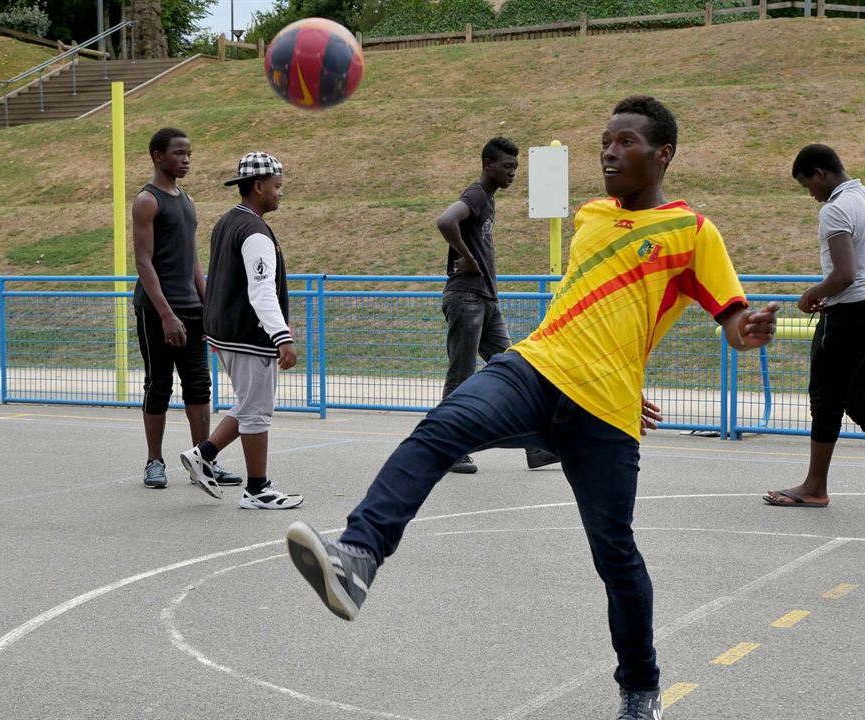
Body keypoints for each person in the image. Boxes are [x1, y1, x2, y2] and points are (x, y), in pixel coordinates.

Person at [286, 96, 781, 720]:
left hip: (604, 411)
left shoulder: (692, 233)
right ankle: (358, 558)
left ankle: (641, 690)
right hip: (536, 367)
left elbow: (731, 322)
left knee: (615, 554)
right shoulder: (594, 215)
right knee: (440, 429)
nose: (609, 150)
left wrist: (748, 331)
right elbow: (600, 309)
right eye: (605, 139)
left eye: (626, 141)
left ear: (664, 155)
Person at [180, 152, 303, 510]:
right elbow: (261, 290)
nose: (280, 193)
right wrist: (282, 336)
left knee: (248, 404)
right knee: (257, 413)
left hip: (227, 331)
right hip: (249, 335)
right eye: (277, 186)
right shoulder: (255, 232)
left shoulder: (228, 221)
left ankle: (203, 455)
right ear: (259, 186)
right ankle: (257, 489)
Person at [437, 136, 559, 474]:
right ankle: (447, 448)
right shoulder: (476, 193)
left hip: (486, 301)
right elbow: (445, 221)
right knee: (461, 375)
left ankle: (536, 448)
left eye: (516, 169)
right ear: (488, 164)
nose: (513, 174)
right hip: (467, 298)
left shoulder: (487, 199)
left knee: (515, 373)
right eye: (508, 167)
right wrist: (468, 257)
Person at [132, 127, 240, 490]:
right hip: (157, 310)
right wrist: (166, 314)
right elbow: (144, 263)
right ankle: (154, 462)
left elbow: (193, 259)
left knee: (198, 386)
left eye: (189, 153)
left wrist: (207, 305)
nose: (186, 159)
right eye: (179, 153)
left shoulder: (187, 200)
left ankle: (203, 461)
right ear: (157, 156)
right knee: (158, 385)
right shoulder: (147, 201)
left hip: (191, 310)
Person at [763, 144, 865, 508]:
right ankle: (814, 484)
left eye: (809, 186)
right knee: (858, 396)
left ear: (820, 173)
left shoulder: (836, 210)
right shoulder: (864, 198)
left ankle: (815, 487)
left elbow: (845, 275)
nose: (812, 195)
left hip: (848, 315)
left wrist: (812, 294)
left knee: (826, 399)